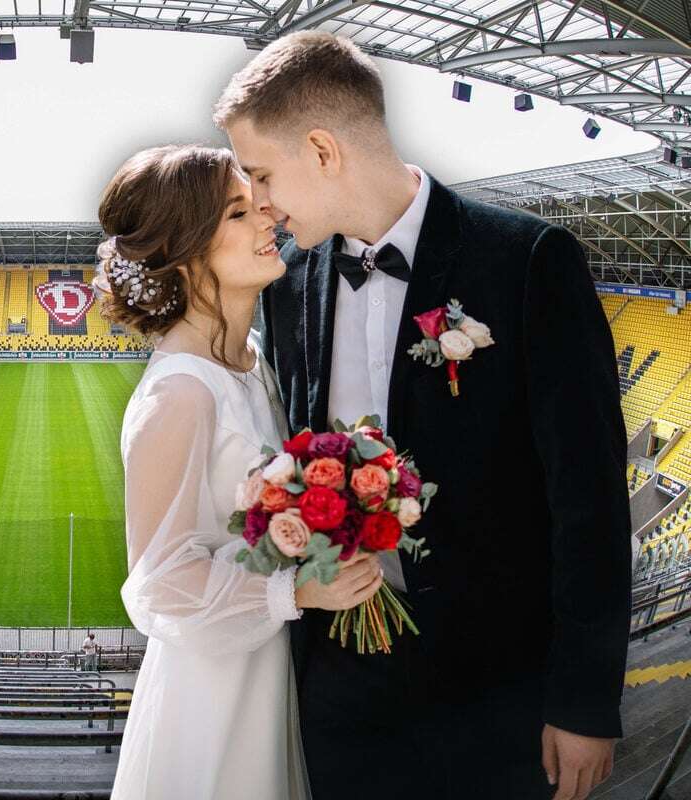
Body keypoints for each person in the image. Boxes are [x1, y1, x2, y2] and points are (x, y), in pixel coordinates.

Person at [214, 31, 632, 800]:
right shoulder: (288, 282)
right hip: (339, 686)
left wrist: (584, 699)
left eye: (263, 173)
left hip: (497, 694)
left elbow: (593, 500)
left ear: (322, 150)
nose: (259, 200)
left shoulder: (529, 261)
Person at [98, 144, 385, 800]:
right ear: (185, 248)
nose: (268, 219)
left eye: (257, 202)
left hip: (264, 670)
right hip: (211, 698)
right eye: (237, 212)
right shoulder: (179, 395)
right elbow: (158, 586)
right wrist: (298, 593)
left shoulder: (250, 360)